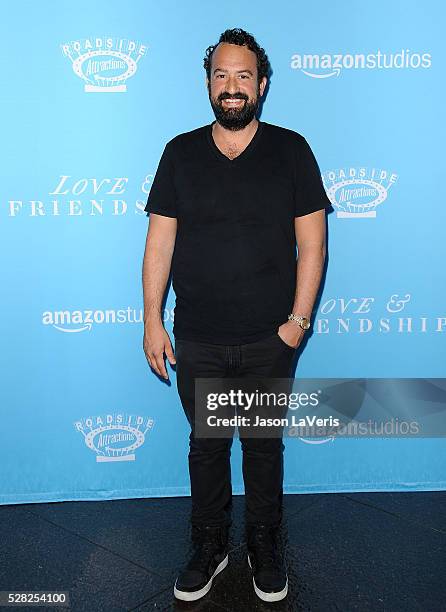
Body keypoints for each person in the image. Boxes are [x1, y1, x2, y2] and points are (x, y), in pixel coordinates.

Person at [142, 27, 330, 603]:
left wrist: (295, 325)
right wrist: (152, 317)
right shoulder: (179, 153)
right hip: (197, 336)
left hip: (268, 338)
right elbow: (159, 244)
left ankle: (265, 543)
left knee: (263, 445)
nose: (232, 87)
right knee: (207, 444)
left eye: (243, 76)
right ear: (208, 84)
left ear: (261, 85)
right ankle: (210, 543)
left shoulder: (291, 150)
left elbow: (314, 245)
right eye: (221, 75)